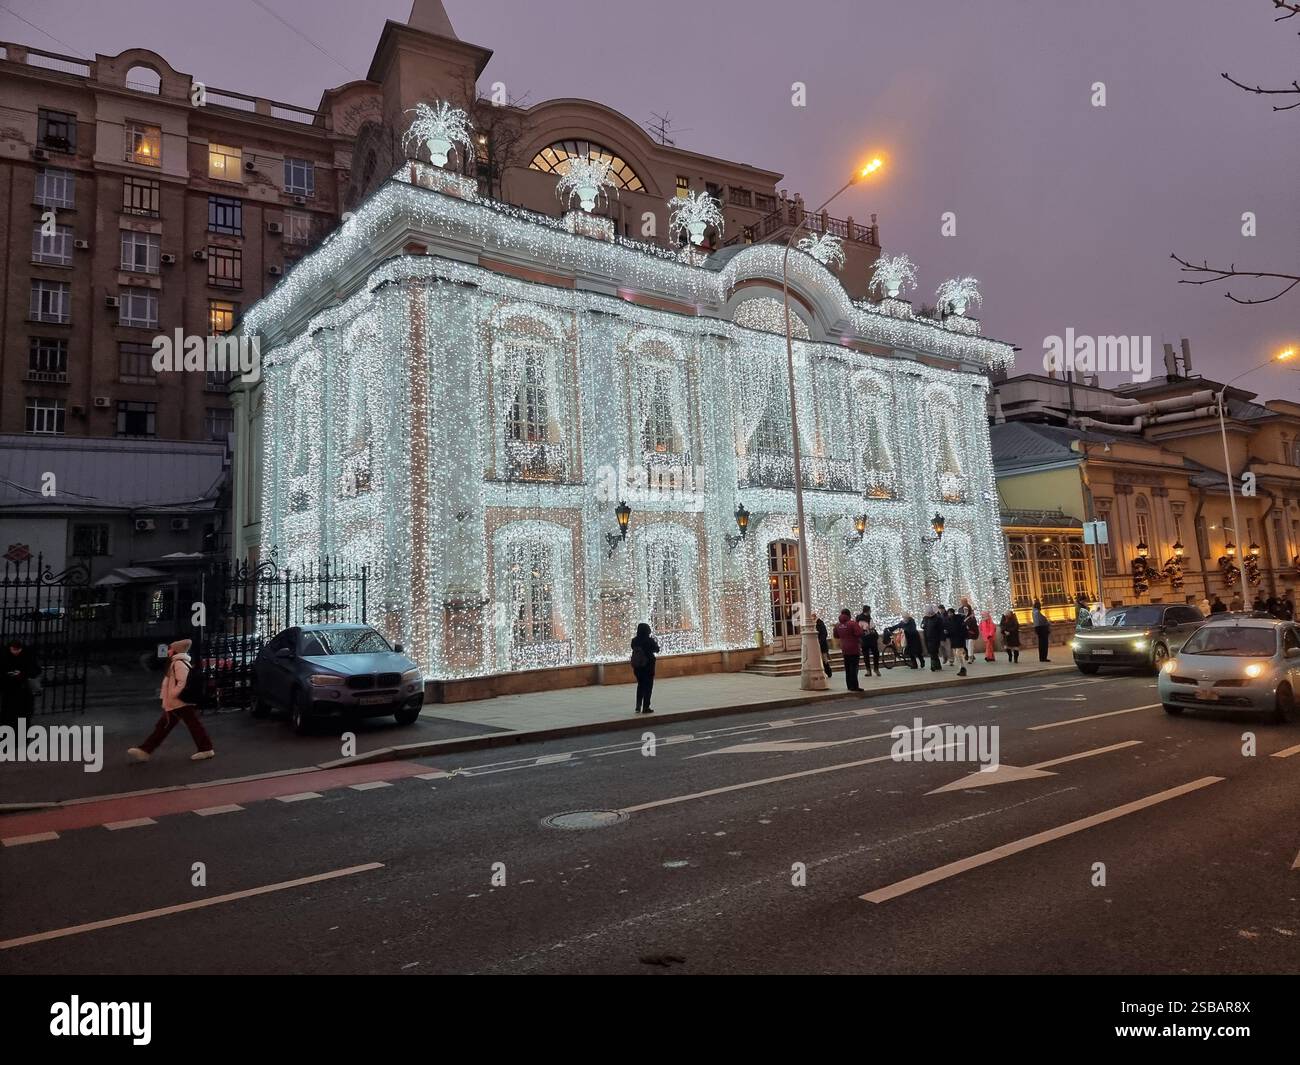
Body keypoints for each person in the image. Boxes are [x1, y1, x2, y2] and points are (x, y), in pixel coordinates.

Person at [128, 639, 215, 762]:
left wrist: (172, 694)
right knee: (167, 726)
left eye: (170, 649)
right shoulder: (178, 662)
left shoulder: (178, 663)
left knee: (179, 726)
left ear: (175, 651)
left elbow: (181, 683)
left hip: (179, 703)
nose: (168, 651)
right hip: (177, 703)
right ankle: (145, 751)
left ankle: (145, 751)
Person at [1, 639, 40, 728]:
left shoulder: (27, 655)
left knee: (23, 713)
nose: (16, 652)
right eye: (13, 650)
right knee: (9, 714)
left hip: (23, 691)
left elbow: (34, 670)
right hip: (10, 690)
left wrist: (22, 674)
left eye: (18, 650)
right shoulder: (5, 656)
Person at [628, 622, 660, 714]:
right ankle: (646, 707)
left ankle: (638, 706)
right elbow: (657, 649)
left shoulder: (634, 640)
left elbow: (633, 648)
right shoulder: (649, 640)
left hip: (638, 666)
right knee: (648, 686)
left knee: (640, 685)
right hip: (648, 666)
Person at [833, 608, 863, 691]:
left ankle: (849, 685)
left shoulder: (838, 625)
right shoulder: (852, 623)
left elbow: (836, 635)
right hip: (854, 648)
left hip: (844, 648)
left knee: (847, 668)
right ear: (849, 615)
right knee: (854, 667)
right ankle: (855, 686)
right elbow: (859, 633)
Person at [946, 607, 969, 677]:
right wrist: (947, 633)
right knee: (957, 655)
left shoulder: (959, 620)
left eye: (950, 613)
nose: (949, 614)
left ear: (953, 613)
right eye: (948, 613)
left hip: (960, 640)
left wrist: (962, 636)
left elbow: (964, 630)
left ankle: (963, 668)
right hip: (954, 640)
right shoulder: (949, 621)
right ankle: (961, 668)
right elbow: (949, 630)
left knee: (958, 654)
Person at [858, 609, 881, 678]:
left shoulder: (870, 618)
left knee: (876, 653)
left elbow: (873, 626)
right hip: (865, 639)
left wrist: (872, 629)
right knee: (866, 655)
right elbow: (859, 629)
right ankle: (868, 670)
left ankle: (876, 669)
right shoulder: (860, 620)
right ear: (867, 611)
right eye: (869, 611)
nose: (870, 612)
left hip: (872, 638)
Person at [922, 607, 946, 672]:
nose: (929, 614)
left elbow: (941, 629)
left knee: (933, 651)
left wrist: (942, 639)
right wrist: (922, 625)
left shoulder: (938, 619)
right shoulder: (925, 618)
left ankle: (933, 666)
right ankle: (938, 666)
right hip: (927, 638)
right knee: (933, 652)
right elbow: (922, 625)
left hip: (935, 638)